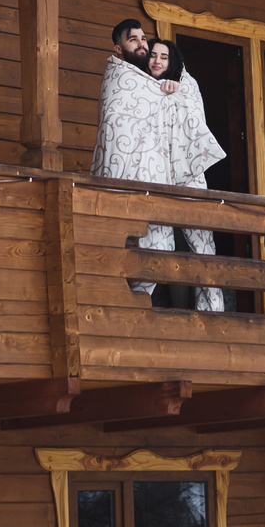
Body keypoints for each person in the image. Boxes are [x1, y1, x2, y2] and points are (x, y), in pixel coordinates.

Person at [90, 21, 226, 311]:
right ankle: (129, 307)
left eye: (144, 40)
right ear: (119, 49)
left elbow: (192, 108)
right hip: (143, 174)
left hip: (182, 173)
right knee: (153, 247)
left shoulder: (180, 84)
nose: (144, 46)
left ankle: (212, 312)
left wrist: (174, 93)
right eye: (135, 42)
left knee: (201, 242)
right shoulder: (121, 78)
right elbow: (117, 123)